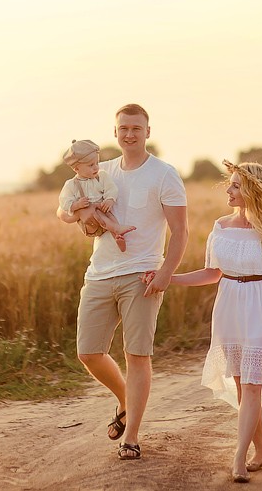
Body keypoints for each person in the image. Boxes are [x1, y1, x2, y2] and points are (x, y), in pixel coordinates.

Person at [144, 160, 262, 483]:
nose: (229, 189)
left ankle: (238, 457)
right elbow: (212, 273)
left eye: (236, 185)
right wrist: (170, 278)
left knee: (251, 384)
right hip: (229, 306)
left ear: (251, 190)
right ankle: (260, 450)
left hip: (261, 305)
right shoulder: (220, 226)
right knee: (241, 384)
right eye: (230, 183)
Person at [56, 104, 188, 461]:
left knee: (137, 355)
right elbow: (63, 209)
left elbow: (180, 231)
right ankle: (125, 402)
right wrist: (75, 212)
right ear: (115, 132)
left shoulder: (164, 174)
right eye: (123, 128)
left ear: (148, 131)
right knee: (88, 352)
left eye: (136, 128)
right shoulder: (100, 170)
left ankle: (130, 437)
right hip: (99, 272)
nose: (129, 134)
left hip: (141, 274)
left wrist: (165, 274)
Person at [58, 139, 136, 252]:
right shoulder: (72, 184)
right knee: (97, 213)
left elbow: (111, 188)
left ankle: (118, 239)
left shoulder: (101, 176)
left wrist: (110, 199)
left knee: (109, 216)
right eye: (91, 165)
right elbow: (64, 202)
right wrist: (77, 205)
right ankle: (117, 229)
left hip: (103, 210)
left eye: (97, 163)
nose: (96, 167)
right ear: (76, 169)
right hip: (89, 222)